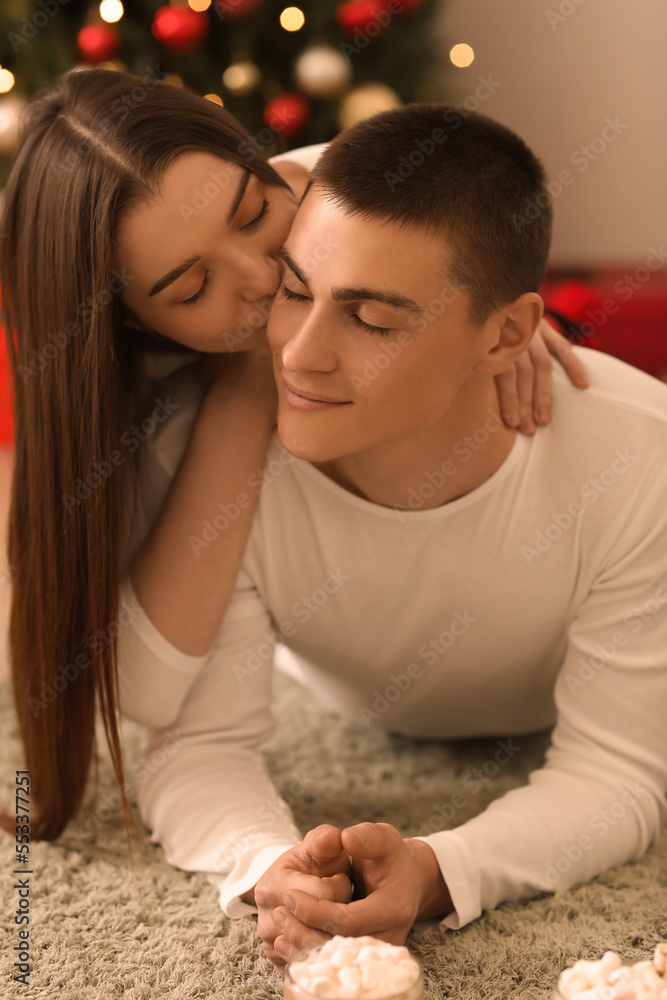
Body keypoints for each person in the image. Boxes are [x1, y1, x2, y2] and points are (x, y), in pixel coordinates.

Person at [115, 103, 667, 969]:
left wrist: (438, 867)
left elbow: (618, 775)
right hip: (339, 693)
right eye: (293, 291)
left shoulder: (636, 457)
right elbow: (197, 750)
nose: (297, 355)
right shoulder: (205, 461)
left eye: (370, 321)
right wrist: (268, 868)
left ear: (509, 334)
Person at [0, 68, 583, 848]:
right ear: (132, 325)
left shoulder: (332, 189)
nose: (266, 278)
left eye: (252, 213)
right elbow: (145, 688)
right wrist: (242, 388)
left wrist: (471, 325)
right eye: (193, 287)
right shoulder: (132, 391)